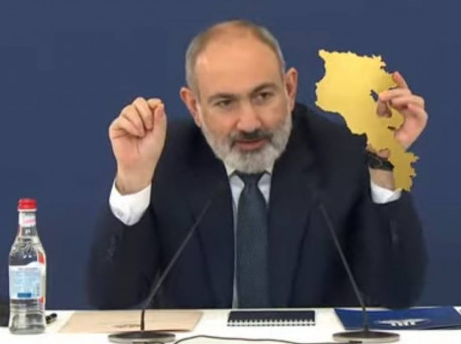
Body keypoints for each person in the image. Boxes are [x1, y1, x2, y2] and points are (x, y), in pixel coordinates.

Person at [87, 20, 429, 309]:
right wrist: (133, 180)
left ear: (289, 89)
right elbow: (112, 300)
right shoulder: (164, 156)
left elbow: (395, 294)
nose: (249, 123)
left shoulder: (341, 153)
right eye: (225, 103)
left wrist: (384, 161)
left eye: (263, 96)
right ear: (194, 107)